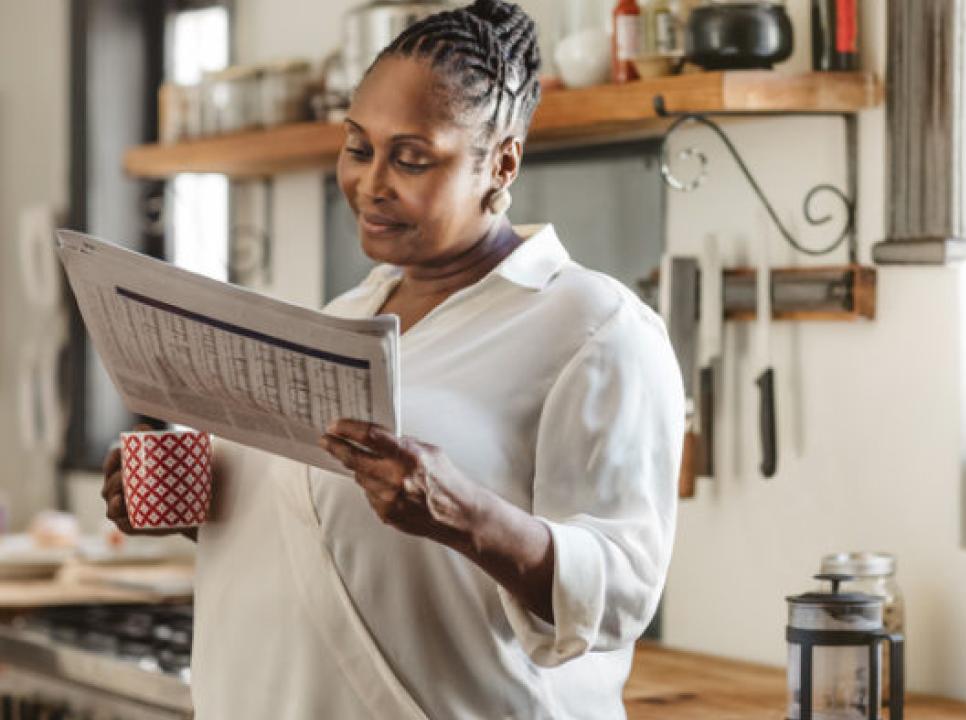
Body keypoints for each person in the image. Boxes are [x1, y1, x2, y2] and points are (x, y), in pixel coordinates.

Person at [99, 1, 684, 716]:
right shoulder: (339, 320)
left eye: (411, 158)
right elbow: (323, 534)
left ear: (501, 161)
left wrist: (463, 513)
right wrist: (196, 507)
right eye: (357, 147)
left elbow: (623, 588)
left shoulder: (594, 328)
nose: (372, 183)